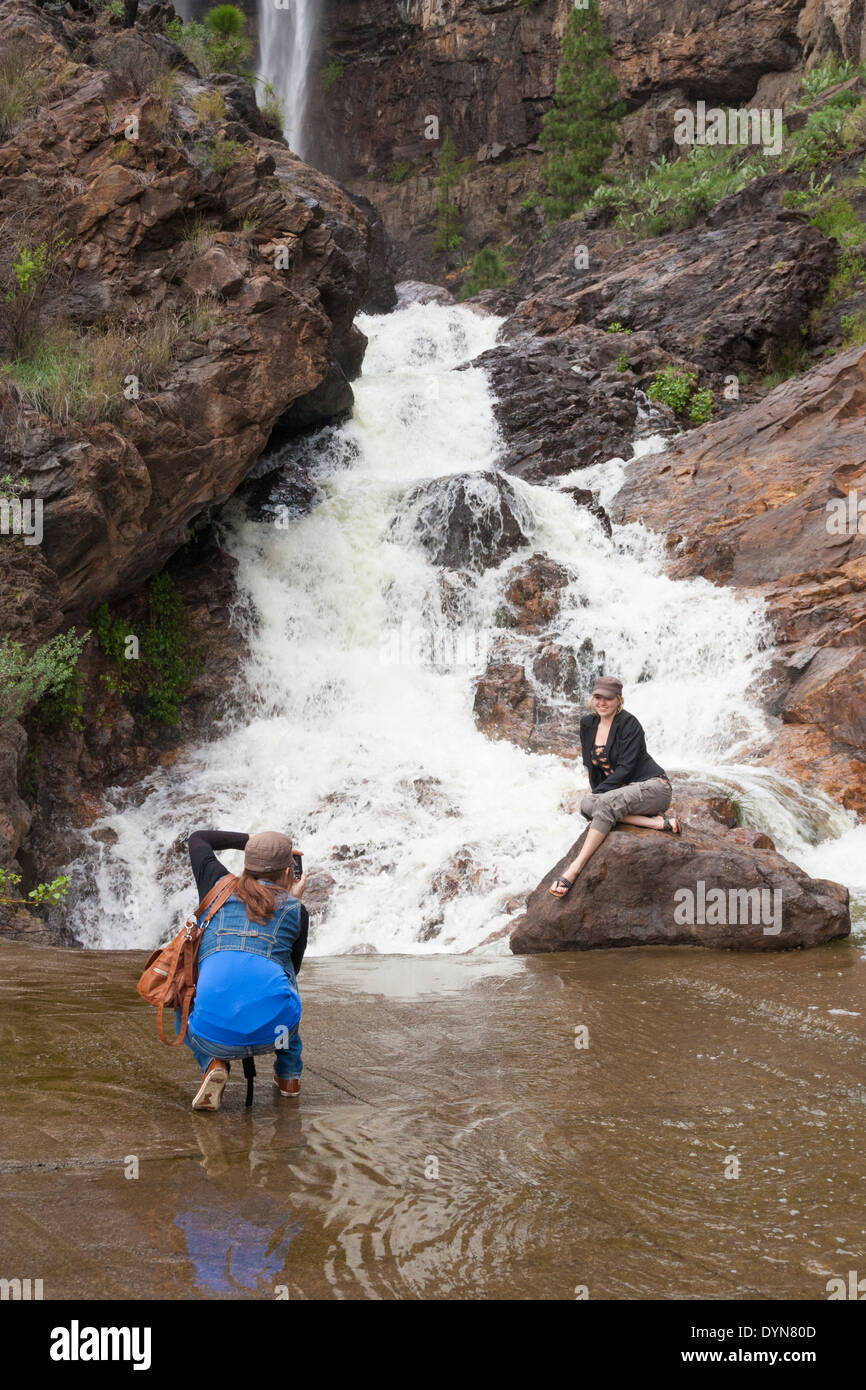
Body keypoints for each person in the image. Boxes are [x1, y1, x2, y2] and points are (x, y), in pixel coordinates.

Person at [180, 828, 309, 1112]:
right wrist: (294, 899)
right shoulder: (296, 911)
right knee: (283, 977)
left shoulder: (215, 884)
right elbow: (294, 970)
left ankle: (212, 1062)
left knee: (180, 993)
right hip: (275, 1031)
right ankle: (289, 1075)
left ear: (246, 864)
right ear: (289, 872)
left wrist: (250, 841)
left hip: (210, 1033)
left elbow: (199, 838)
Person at [549, 677, 680, 897]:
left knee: (602, 803)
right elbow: (591, 767)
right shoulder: (587, 724)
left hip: (653, 788)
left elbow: (625, 770)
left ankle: (573, 870)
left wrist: (600, 796)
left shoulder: (630, 724)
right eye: (598, 697)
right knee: (586, 804)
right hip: (621, 793)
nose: (602, 703)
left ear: (618, 700)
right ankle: (656, 824)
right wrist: (596, 794)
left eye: (608, 698)